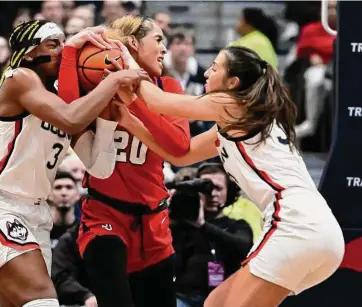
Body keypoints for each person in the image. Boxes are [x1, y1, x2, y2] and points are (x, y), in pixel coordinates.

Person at [115, 45, 344, 307]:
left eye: (214, 68)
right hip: (319, 231)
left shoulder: (233, 104)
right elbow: (181, 154)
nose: (206, 74)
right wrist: (132, 123)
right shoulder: (239, 119)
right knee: (215, 302)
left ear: (232, 82)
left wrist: (128, 60)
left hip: (294, 223)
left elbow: (159, 102)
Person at [0, 20, 147, 307]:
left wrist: (108, 119)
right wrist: (113, 80)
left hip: (36, 214)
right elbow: (71, 119)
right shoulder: (19, 78)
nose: (63, 51)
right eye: (53, 44)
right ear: (30, 55)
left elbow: (99, 167)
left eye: (64, 43)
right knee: (44, 303)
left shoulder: (65, 98)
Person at [71, 15, 191, 307]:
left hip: (153, 222)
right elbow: (68, 117)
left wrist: (134, 103)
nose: (164, 49)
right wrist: (70, 52)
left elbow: (179, 145)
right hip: (105, 216)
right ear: (134, 43)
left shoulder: (169, 86)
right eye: (159, 40)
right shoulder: (95, 88)